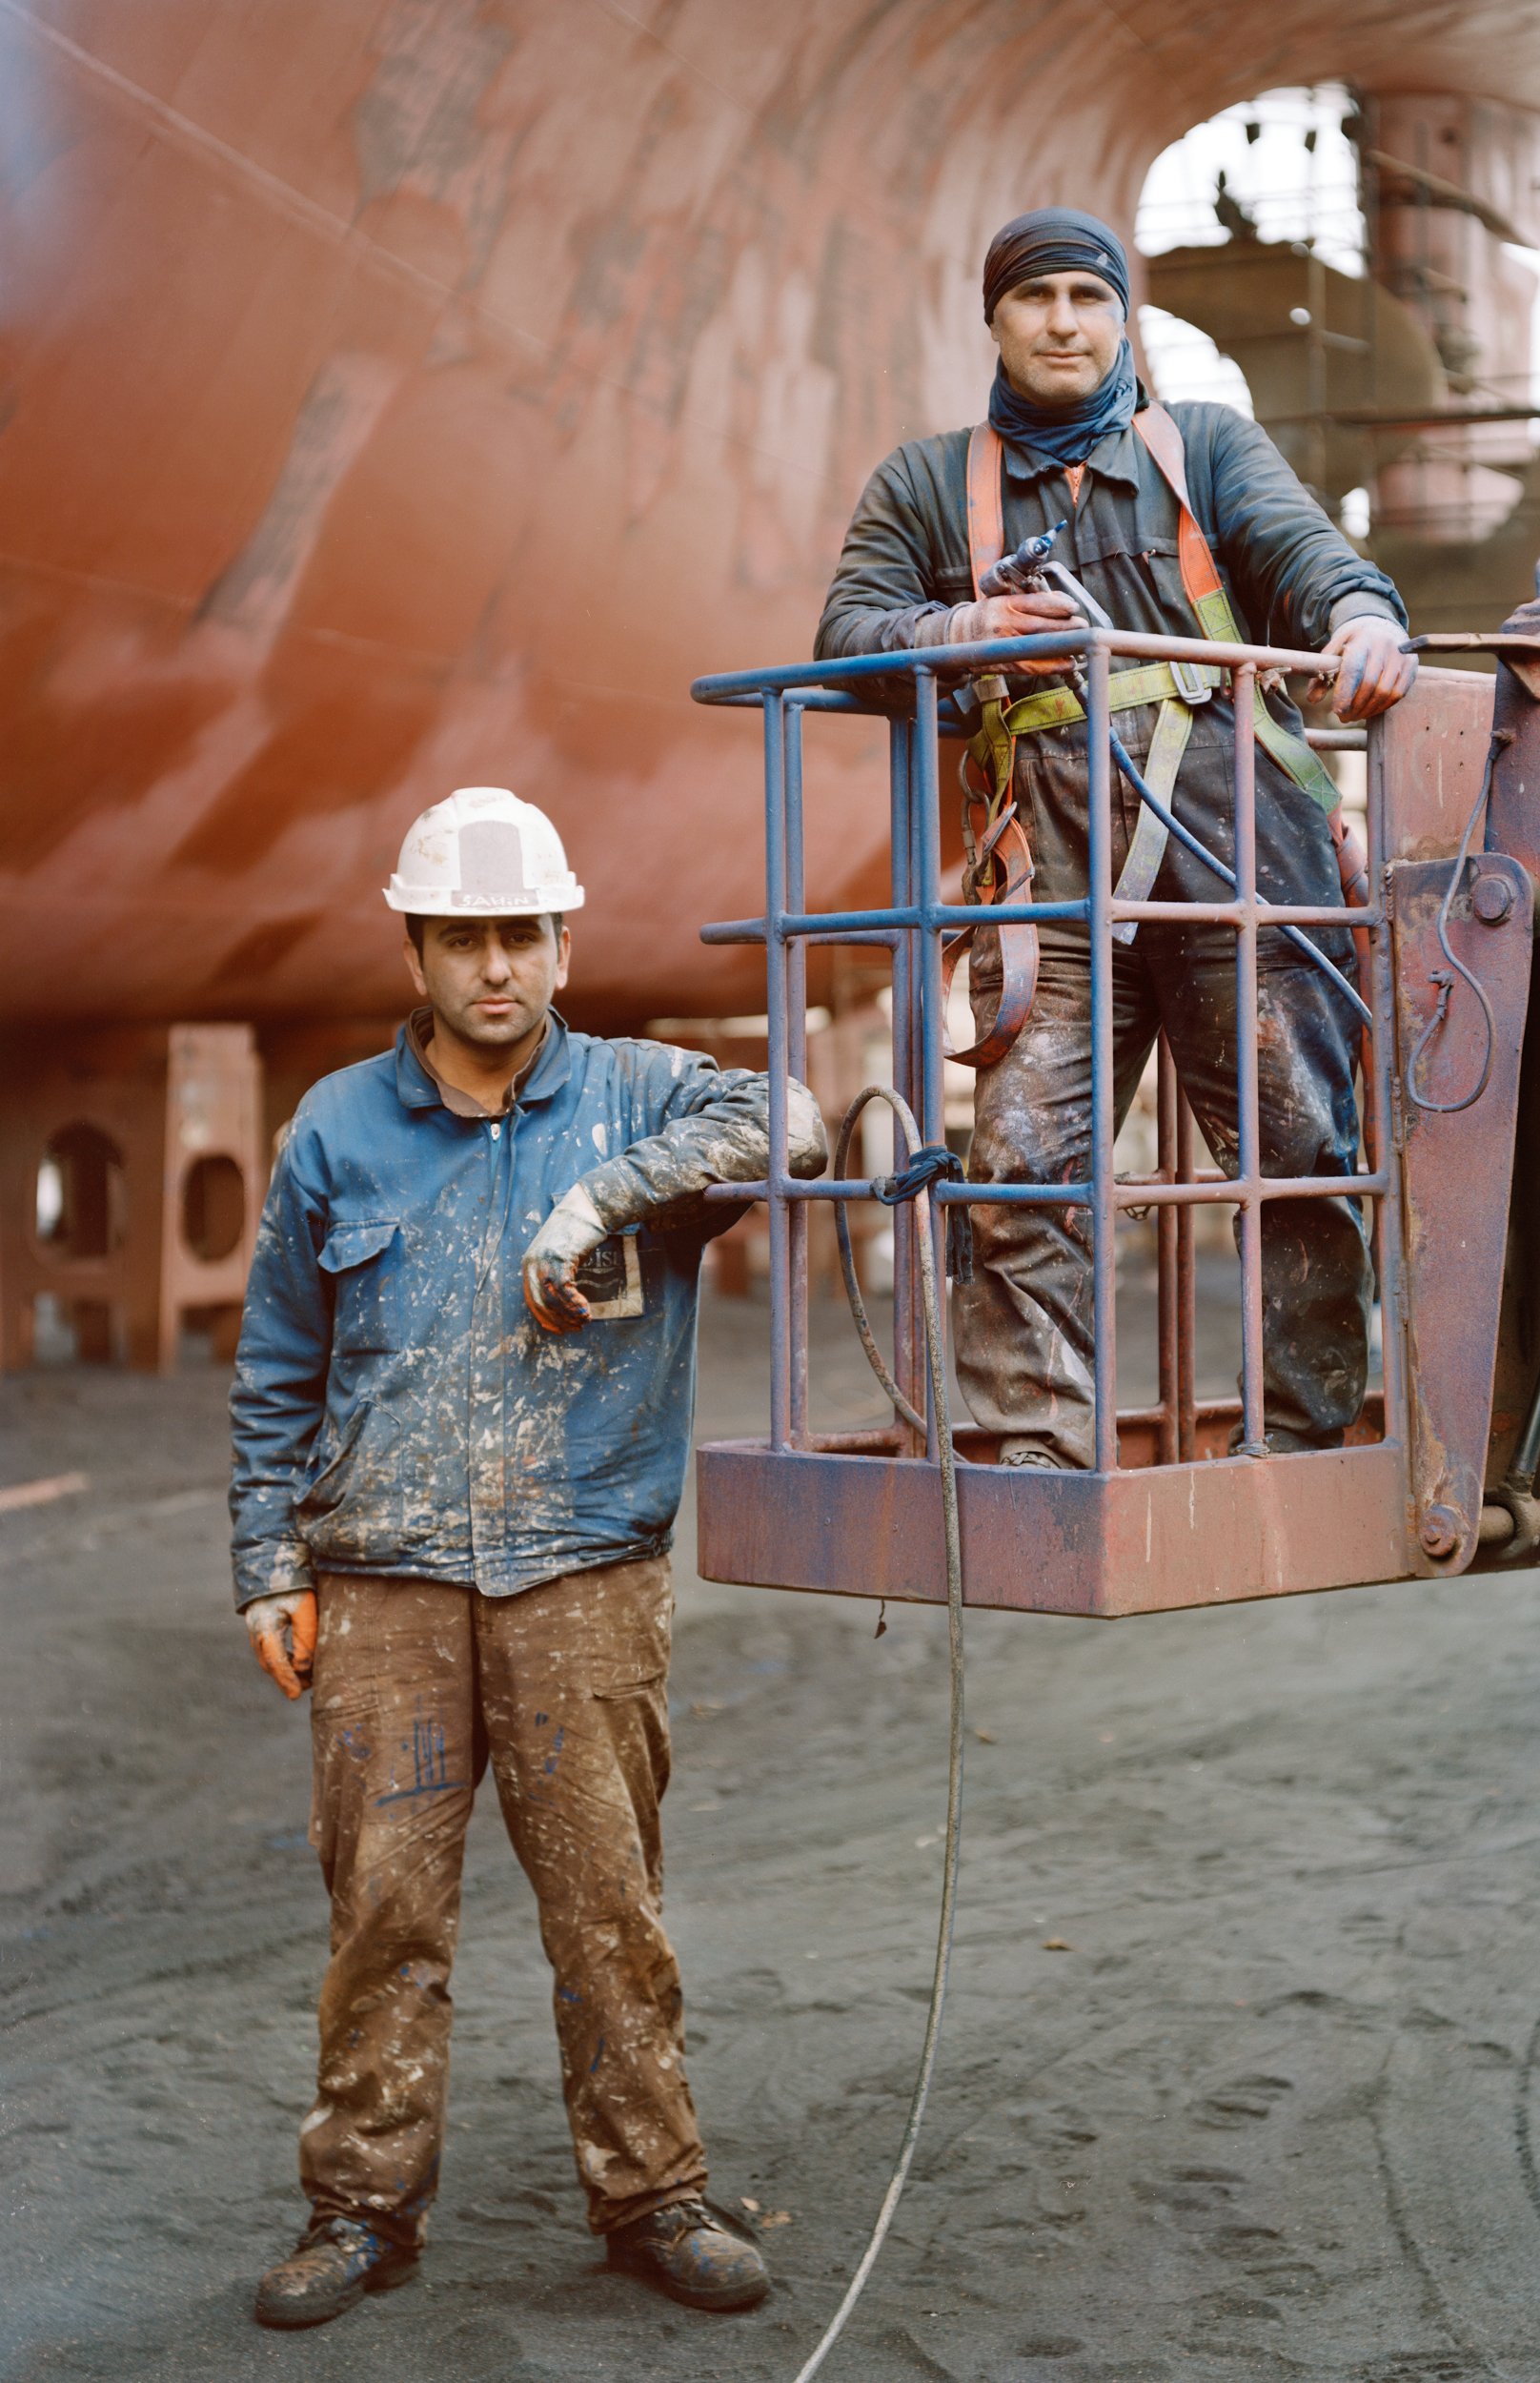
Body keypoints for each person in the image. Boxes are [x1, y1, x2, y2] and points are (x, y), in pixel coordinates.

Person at [231, 785, 826, 2330]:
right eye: (464, 938)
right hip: (382, 1585)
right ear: (416, 948)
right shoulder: (336, 1132)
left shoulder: (642, 1096)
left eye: (524, 935)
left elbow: (797, 1120)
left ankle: (653, 2195)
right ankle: (360, 2209)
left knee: (607, 1910)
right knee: (382, 1918)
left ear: (564, 942)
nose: (497, 964)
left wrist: (602, 1193)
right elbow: (278, 1362)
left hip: (583, 1580)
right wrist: (266, 1563)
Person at [816, 208, 1417, 1466]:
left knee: (1296, 1140)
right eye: (1035, 300)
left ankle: (1301, 1437)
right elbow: (848, 633)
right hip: (1053, 878)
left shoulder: (1202, 449)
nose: (1063, 324)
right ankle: (1044, 1448)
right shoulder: (933, 484)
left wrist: (1361, 615)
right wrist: (964, 634)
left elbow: (1309, 559)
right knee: (1027, 1157)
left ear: (1124, 318)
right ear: (996, 320)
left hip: (1243, 848)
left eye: (1089, 298)